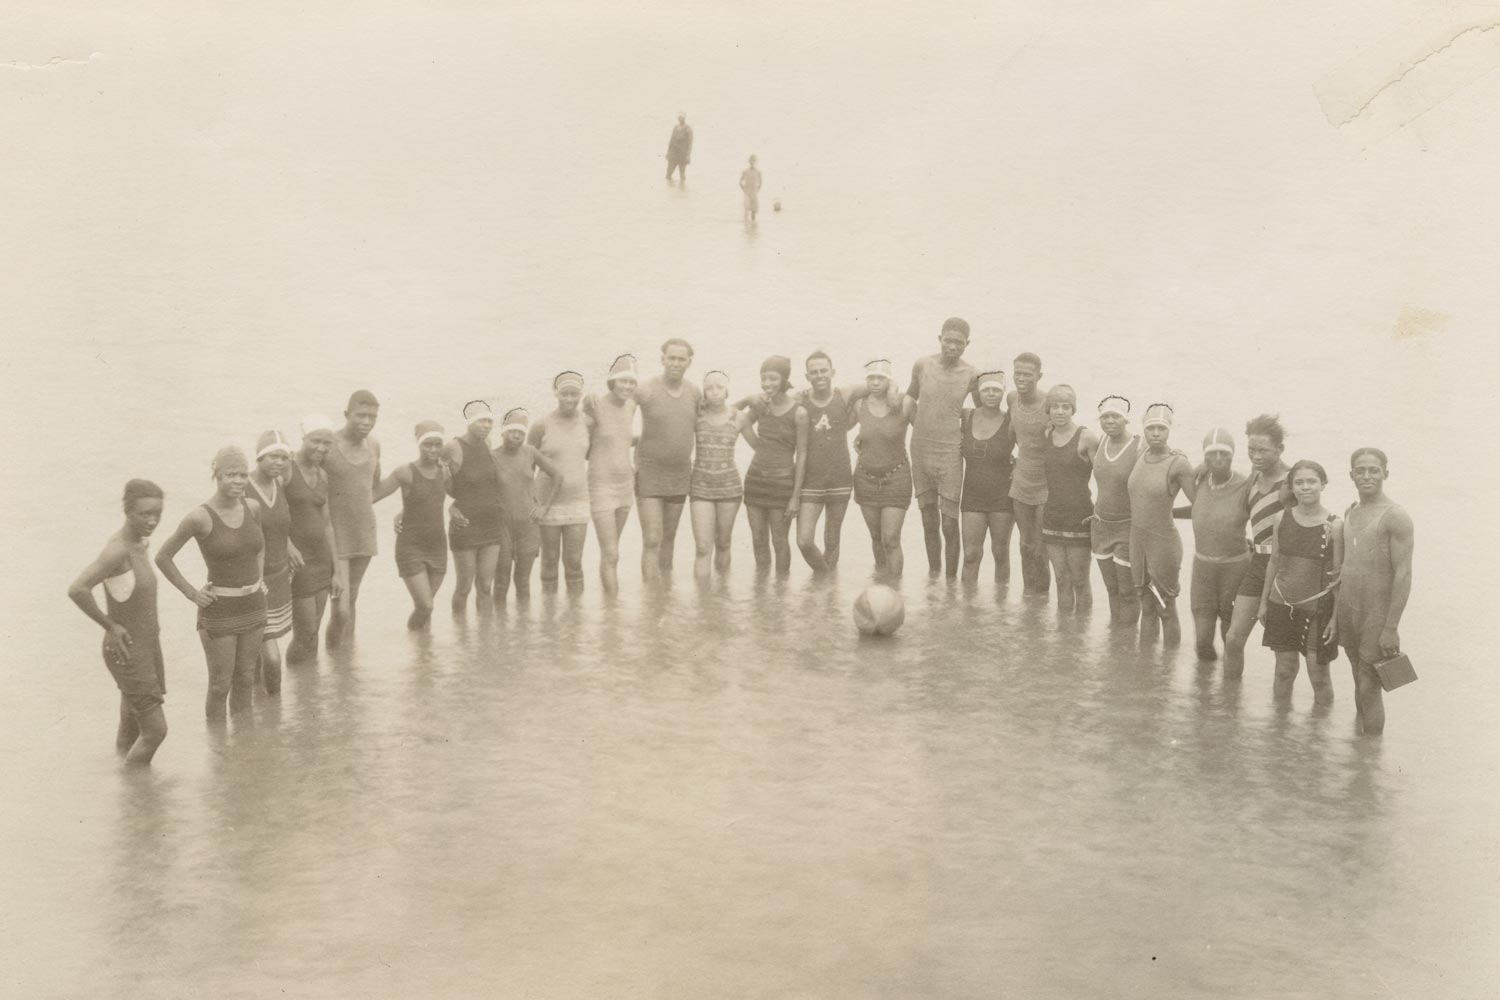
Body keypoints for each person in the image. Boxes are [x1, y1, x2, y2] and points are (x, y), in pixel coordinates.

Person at [155, 447, 266, 721]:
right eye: (231, 475)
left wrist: (259, 579)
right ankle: (218, 755)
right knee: (220, 685)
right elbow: (163, 557)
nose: (239, 481)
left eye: (243, 475)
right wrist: (192, 594)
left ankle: (242, 750)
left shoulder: (253, 507)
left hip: (254, 606)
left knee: (246, 678)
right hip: (220, 611)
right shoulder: (200, 517)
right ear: (216, 475)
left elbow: (260, 547)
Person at [67, 480, 169, 765]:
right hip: (128, 651)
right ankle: (140, 797)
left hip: (145, 647)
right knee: (156, 731)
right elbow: (77, 589)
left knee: (131, 723)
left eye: (157, 514)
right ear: (127, 511)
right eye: (144, 514)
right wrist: (110, 625)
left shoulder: (140, 543)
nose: (152, 521)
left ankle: (125, 794)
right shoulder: (118, 550)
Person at [1335, 448, 1414, 735]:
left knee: (1370, 685)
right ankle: (1360, 757)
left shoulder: (1396, 516)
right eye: (1360, 470)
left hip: (1376, 615)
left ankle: (1370, 757)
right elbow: (1345, 567)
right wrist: (1335, 616)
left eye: (1373, 470)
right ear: (1351, 475)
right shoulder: (1351, 511)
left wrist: (1391, 627)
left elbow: (1403, 574)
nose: (1366, 475)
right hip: (1349, 610)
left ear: (1385, 474)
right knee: (1358, 678)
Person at [1259, 459, 1343, 707]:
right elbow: (1274, 562)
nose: (1306, 487)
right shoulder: (1280, 518)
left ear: (1323, 484)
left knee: (1319, 676)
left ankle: (1317, 737)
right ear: (1291, 487)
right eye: (1299, 482)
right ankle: (1280, 731)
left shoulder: (1335, 525)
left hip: (1317, 609)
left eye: (1312, 481)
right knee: (1284, 671)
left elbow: (1337, 579)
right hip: (1281, 604)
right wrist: (1264, 603)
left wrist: (1335, 619)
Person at [907, 317, 978, 579]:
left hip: (950, 453)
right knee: (928, 520)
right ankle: (933, 577)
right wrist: (915, 426)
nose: (952, 346)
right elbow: (908, 400)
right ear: (940, 339)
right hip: (921, 449)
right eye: (948, 340)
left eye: (958, 343)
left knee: (949, 522)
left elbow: (982, 414)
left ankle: (950, 582)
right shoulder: (922, 365)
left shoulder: (972, 374)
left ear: (966, 344)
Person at [1223, 414, 1292, 679]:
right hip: (1257, 565)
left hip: (1284, 569)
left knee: (1283, 654)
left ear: (1280, 449)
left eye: (1263, 450)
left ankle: (1280, 716)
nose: (1256, 456)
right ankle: (1228, 706)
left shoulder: (1292, 483)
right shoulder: (1253, 477)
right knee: (1233, 639)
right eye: (1251, 450)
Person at [1179, 427, 1252, 660]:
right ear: (1204, 456)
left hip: (1235, 568)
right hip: (1203, 570)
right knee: (1202, 643)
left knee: (1230, 639)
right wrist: (1164, 514)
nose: (1218, 459)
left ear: (1233, 455)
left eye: (1224, 454)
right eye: (1212, 454)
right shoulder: (1199, 481)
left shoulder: (1246, 486)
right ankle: (1205, 694)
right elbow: (1201, 511)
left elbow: (1267, 513)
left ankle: (1230, 693)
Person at [1126, 404, 1196, 644]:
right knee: (1146, 606)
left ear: (1169, 431)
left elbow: (1201, 506)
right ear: (1144, 431)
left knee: (1165, 607)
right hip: (1137, 543)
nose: (1156, 433)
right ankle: (1148, 672)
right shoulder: (1140, 454)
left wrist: (1170, 513)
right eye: (1151, 428)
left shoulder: (1178, 463)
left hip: (1163, 544)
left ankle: (1168, 673)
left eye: (1161, 429)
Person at [634, 338, 700, 582]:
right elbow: (619, 407)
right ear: (662, 359)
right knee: (652, 538)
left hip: (680, 474)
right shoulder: (646, 388)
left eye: (681, 359)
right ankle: (651, 597)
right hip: (649, 473)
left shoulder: (694, 391)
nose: (675, 363)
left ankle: (665, 596)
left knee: (669, 536)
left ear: (689, 362)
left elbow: (714, 416)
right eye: (671, 358)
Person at [375, 421, 452, 629]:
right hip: (411, 546)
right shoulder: (405, 472)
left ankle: (422, 656)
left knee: (427, 609)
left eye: (438, 444)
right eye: (428, 444)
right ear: (419, 444)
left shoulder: (444, 472)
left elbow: (440, 498)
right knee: (425, 606)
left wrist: (457, 508)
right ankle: (415, 641)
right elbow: (374, 495)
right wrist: (373, 468)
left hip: (437, 546)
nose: (434, 449)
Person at [740, 356, 810, 575]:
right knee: (758, 539)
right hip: (755, 480)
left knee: (779, 541)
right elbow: (734, 417)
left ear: (784, 379)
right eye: (764, 378)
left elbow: (803, 454)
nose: (767, 383)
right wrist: (747, 399)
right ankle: (761, 595)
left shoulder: (799, 412)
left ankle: (780, 597)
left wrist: (795, 497)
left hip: (782, 483)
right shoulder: (760, 406)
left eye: (773, 378)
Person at [324, 390, 381, 648]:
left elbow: (374, 487)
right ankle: (332, 653)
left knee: (352, 601)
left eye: (372, 417)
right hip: (336, 537)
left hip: (364, 535)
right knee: (341, 609)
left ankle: (344, 669)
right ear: (347, 414)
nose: (366, 422)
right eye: (360, 416)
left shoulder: (375, 445)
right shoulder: (328, 445)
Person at [851, 359, 916, 578]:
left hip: (896, 479)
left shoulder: (905, 403)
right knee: (876, 538)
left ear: (890, 380)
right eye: (871, 378)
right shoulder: (859, 404)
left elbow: (926, 431)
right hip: (865, 479)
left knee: (891, 539)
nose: (876, 382)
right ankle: (880, 588)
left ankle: (895, 591)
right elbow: (837, 425)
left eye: (881, 378)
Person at [492, 409, 561, 604]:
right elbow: (474, 486)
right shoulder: (492, 456)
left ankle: (524, 630)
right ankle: (500, 629)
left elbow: (557, 476)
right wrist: (455, 505)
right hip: (502, 527)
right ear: (503, 432)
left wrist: (545, 507)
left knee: (523, 582)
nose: (517, 436)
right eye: (512, 431)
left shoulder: (530, 452)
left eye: (521, 433)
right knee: (501, 582)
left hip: (528, 526)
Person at [285, 415, 339, 665]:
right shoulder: (286, 469)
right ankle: (297, 686)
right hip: (300, 563)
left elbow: (327, 523)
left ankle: (308, 693)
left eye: (327, 443)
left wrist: (336, 570)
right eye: (316, 440)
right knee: (304, 633)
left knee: (312, 635)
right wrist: (287, 544)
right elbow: (269, 510)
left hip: (322, 561)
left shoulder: (323, 475)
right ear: (303, 438)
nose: (321, 447)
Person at [794, 351, 854, 573]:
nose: (819, 375)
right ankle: (825, 578)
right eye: (814, 372)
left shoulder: (845, 395)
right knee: (804, 541)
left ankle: (828, 600)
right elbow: (773, 401)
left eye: (823, 371)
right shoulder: (799, 401)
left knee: (832, 541)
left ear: (833, 372)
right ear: (807, 376)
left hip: (840, 478)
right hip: (811, 481)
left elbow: (879, 384)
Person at [530, 372, 591, 591]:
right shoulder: (541, 425)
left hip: (578, 500)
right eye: (564, 393)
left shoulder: (587, 423)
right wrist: (533, 502)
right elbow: (528, 466)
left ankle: (575, 619)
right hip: (547, 503)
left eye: (574, 394)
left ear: (580, 395)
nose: (569, 399)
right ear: (556, 393)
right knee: (549, 561)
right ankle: (549, 618)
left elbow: (593, 454)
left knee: (574, 563)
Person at [585, 355, 640, 594]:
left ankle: (610, 613)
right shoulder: (594, 405)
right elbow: (579, 443)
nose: (627, 386)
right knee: (611, 553)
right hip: (601, 486)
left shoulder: (631, 405)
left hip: (626, 486)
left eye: (631, 382)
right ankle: (613, 612)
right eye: (622, 381)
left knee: (613, 553)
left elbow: (623, 439)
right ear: (612, 381)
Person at [1041, 385, 1098, 612]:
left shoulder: (1087, 437)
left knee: (1080, 580)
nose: (1060, 411)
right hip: (1052, 515)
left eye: (1066, 407)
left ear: (1073, 409)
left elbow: (1107, 473)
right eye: (1055, 406)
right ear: (1049, 409)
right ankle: (1064, 641)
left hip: (1079, 516)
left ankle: (1081, 638)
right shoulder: (1047, 434)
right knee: (1061, 580)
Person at [444, 401, 503, 613]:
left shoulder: (488, 442)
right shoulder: (453, 446)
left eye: (489, 421)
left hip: (491, 525)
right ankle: (462, 639)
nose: (486, 425)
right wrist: (450, 507)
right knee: (464, 587)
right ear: (470, 422)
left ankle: (482, 643)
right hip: (465, 525)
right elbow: (433, 479)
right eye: (481, 421)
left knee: (486, 587)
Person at [248, 431, 294, 695]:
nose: (279, 462)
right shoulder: (244, 487)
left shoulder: (279, 484)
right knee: (272, 660)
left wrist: (290, 546)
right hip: (254, 581)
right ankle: (273, 715)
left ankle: (262, 720)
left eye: (283, 457)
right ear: (259, 457)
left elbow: (280, 525)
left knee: (255, 657)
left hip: (278, 576)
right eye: (273, 456)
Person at [959, 370, 1014, 585]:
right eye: (986, 390)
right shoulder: (966, 416)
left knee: (1000, 553)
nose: (991, 394)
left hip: (1002, 496)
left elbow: (1031, 448)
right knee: (971, 555)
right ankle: (966, 609)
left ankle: (1001, 611)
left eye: (996, 390)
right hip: (972, 496)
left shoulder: (1010, 421)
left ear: (1002, 394)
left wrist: (1019, 466)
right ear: (979, 393)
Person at [689, 371, 746, 580]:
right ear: (703, 391)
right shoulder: (697, 415)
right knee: (703, 547)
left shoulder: (738, 417)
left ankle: (721, 599)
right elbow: (672, 433)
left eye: (719, 387)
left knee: (723, 543)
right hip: (700, 487)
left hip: (729, 487)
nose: (714, 392)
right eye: (709, 387)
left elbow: (761, 445)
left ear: (727, 390)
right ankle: (704, 604)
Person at [1090, 395, 1141, 626]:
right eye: (1105, 416)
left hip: (1127, 528)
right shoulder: (1099, 442)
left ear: (1126, 419)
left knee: (1128, 593)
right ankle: (1116, 645)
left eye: (1116, 416)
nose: (1110, 421)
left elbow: (1163, 460)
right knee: (1112, 590)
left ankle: (1127, 644)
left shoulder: (1140, 445)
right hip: (1100, 526)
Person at [1007, 352, 1052, 596]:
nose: (1021, 378)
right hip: (1021, 480)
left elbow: (1065, 438)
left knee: (1040, 547)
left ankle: (1042, 601)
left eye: (1028, 374)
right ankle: (1028, 598)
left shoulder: (1050, 403)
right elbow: (1010, 436)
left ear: (1039, 376)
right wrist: (1011, 462)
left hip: (1045, 484)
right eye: (1018, 373)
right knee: (1025, 544)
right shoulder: (1012, 398)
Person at [665, 112, 693, 182]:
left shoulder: (688, 129)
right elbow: (671, 141)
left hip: (682, 154)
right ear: (678, 119)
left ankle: (682, 189)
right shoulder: (675, 127)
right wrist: (668, 152)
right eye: (679, 118)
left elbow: (690, 143)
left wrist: (688, 155)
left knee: (682, 174)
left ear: (684, 119)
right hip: (673, 153)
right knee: (668, 174)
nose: (680, 119)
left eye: (682, 118)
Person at [740, 155, 762, 222]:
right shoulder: (745, 171)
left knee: (754, 211)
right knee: (746, 211)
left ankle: (753, 228)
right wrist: (744, 190)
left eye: (754, 161)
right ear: (749, 162)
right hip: (747, 192)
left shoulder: (758, 172)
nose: (752, 162)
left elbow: (760, 183)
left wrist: (757, 190)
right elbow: (740, 182)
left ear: (756, 162)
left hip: (754, 192)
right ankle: (745, 228)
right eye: (751, 161)